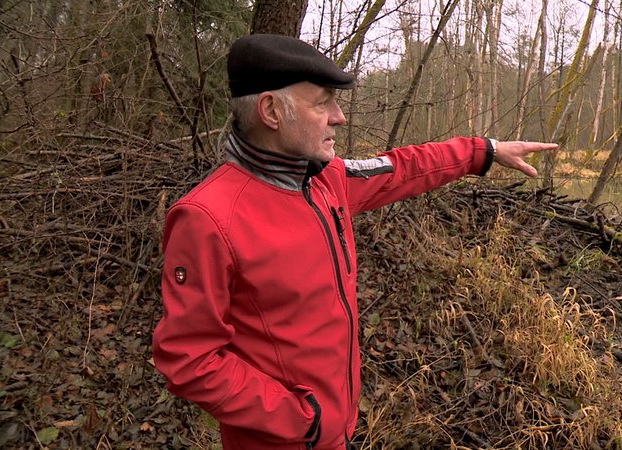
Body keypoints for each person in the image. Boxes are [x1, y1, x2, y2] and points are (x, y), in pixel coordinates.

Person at [152, 34, 557, 450]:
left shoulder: (327, 179)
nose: (339, 116)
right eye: (322, 102)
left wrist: (481, 152)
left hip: (336, 433)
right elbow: (189, 359)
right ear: (271, 110)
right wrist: (299, 421)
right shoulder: (208, 218)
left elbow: (401, 167)